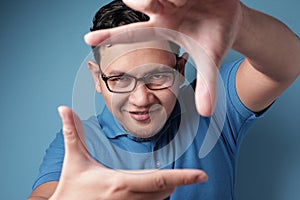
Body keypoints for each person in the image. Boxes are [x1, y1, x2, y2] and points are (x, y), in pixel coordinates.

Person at [28, 0, 300, 199]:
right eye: (119, 78)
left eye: (157, 76)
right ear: (97, 79)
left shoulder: (215, 107)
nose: (140, 98)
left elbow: (288, 63)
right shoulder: (79, 141)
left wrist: (242, 23)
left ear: (180, 69)